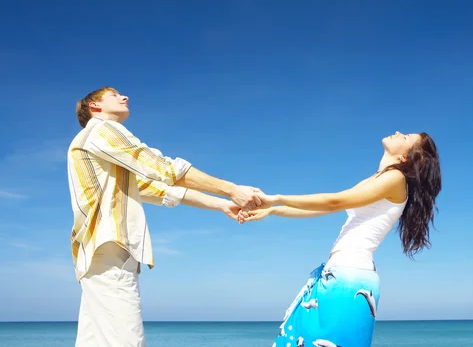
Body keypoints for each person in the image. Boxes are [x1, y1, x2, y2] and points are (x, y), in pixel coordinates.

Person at [68, 87, 264, 346]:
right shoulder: (102, 130)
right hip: (110, 250)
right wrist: (231, 190)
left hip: (94, 257)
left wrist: (221, 205)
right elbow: (160, 167)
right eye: (115, 95)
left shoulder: (96, 149)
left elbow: (156, 189)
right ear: (95, 106)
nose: (125, 97)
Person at [248, 131, 442, 347]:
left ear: (404, 157)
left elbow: (334, 202)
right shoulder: (377, 179)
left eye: (405, 137)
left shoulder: (395, 178)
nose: (398, 133)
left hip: (350, 277)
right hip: (338, 272)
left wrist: (275, 198)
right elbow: (326, 208)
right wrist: (274, 211)